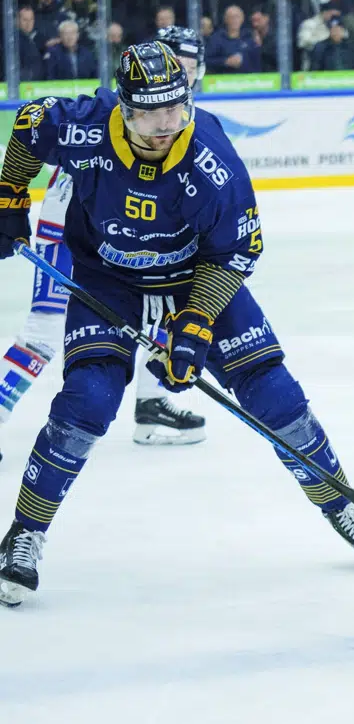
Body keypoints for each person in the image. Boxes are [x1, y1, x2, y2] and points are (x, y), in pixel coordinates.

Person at [0, 42, 354, 607]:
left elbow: (237, 251)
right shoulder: (86, 128)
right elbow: (31, 122)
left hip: (194, 274)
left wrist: (194, 324)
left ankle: (342, 506)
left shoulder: (210, 158)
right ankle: (25, 533)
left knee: (273, 393)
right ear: (125, 110)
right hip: (108, 276)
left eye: (176, 110)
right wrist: (9, 195)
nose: (167, 125)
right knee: (86, 399)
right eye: (152, 115)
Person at [0, 27, 220, 460]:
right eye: (182, 68)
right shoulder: (120, 113)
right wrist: (9, 195)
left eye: (192, 70)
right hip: (71, 226)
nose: (187, 79)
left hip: (125, 241)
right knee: (45, 330)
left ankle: (151, 402)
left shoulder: (178, 118)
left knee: (160, 307)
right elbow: (37, 125)